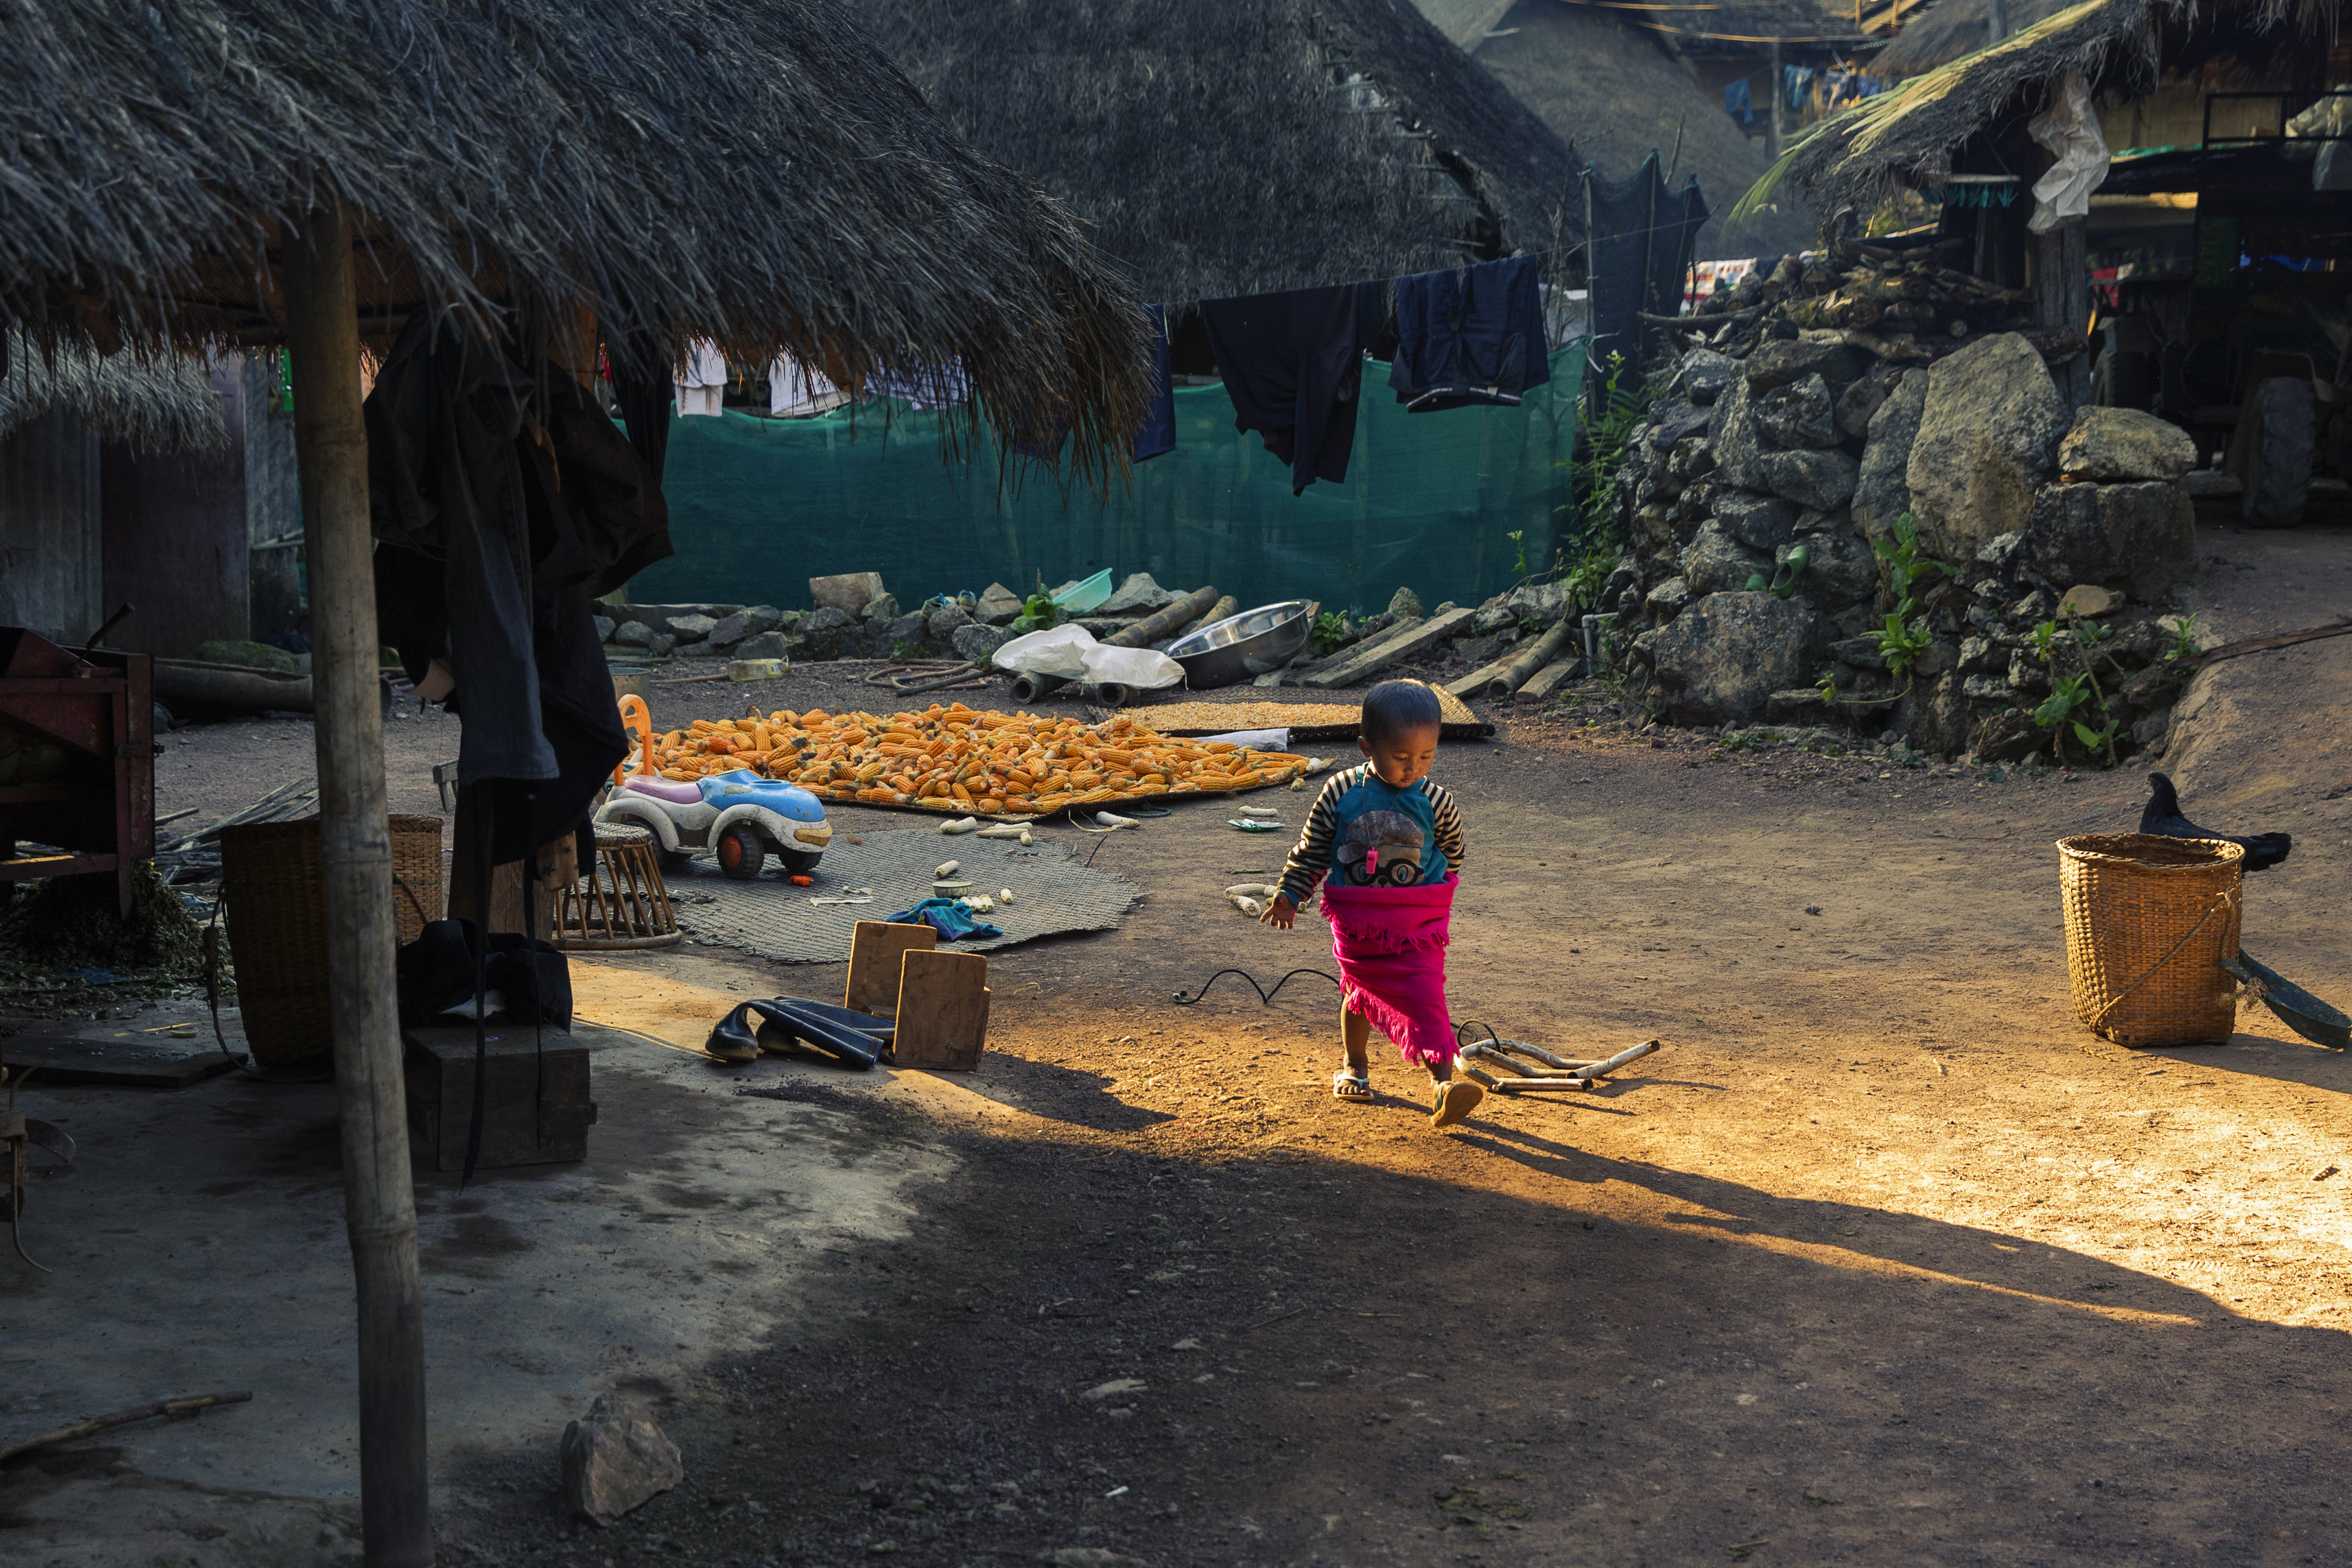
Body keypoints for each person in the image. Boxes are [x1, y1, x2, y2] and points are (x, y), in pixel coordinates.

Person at [1259, 680, 1475, 1129]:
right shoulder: (1339, 792)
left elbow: (1451, 855)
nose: (1412, 768)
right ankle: (1354, 1065)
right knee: (1358, 992)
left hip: (1417, 925)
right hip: (1359, 924)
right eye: (1400, 757)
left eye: (1426, 756)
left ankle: (1443, 1085)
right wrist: (1290, 894)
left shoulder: (1436, 802)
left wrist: (1426, 895)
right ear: (1366, 747)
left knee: (1427, 994)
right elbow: (1314, 849)